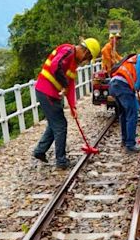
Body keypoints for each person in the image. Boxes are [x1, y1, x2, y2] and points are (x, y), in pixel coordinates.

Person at [33, 38, 101, 169]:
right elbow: (54, 66)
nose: (85, 61)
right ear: (85, 51)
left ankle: (40, 151)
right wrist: (64, 85)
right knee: (60, 126)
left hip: (51, 94)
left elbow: (69, 85)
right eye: (87, 57)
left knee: (55, 124)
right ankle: (61, 161)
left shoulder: (73, 64)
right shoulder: (68, 50)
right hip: (46, 92)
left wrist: (72, 106)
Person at [109, 51, 140, 153]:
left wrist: (135, 99)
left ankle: (125, 140)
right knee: (132, 115)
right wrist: (137, 83)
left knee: (124, 114)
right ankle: (130, 144)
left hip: (115, 84)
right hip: (122, 85)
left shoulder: (134, 62)